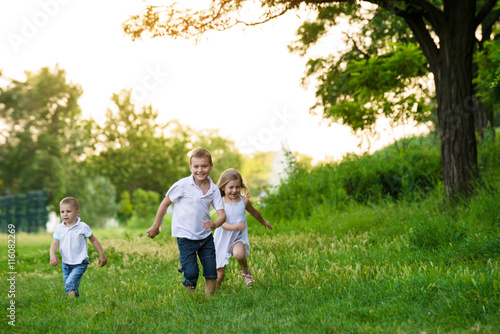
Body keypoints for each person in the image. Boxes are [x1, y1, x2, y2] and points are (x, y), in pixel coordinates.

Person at [147, 148, 226, 296]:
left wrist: (215, 224)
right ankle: (188, 277)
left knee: (211, 271)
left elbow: (222, 215)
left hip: (205, 237)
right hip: (185, 237)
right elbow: (165, 203)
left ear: (211, 166)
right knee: (191, 273)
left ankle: (209, 301)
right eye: (196, 166)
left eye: (204, 166)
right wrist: (156, 225)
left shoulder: (214, 190)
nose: (200, 170)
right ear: (190, 167)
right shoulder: (182, 185)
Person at [214, 168, 273, 288]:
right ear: (223, 187)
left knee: (239, 254)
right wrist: (234, 226)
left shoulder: (244, 201)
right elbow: (221, 223)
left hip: (238, 237)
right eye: (231, 187)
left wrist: (264, 222)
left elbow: (254, 212)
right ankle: (215, 292)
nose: (234, 190)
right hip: (222, 239)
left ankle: (245, 272)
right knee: (219, 275)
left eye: (237, 187)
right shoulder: (220, 202)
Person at [49, 197, 107, 298]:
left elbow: (93, 240)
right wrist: (52, 255)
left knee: (69, 284)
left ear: (77, 212)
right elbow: (54, 243)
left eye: (68, 211)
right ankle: (75, 301)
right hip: (66, 263)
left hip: (80, 262)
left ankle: (71, 302)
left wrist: (101, 254)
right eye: (62, 211)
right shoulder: (59, 228)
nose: (65, 214)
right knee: (70, 285)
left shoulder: (83, 227)